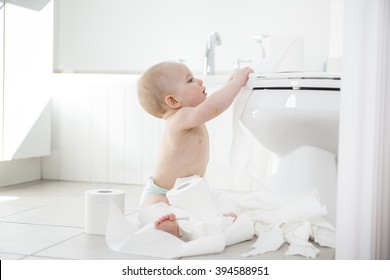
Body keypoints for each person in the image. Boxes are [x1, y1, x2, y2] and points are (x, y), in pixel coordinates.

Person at [137, 61, 253, 237]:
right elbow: (214, 106)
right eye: (190, 80)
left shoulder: (188, 116)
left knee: (218, 198)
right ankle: (166, 223)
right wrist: (236, 84)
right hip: (162, 192)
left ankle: (205, 219)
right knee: (151, 208)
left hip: (191, 192)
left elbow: (214, 102)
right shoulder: (179, 118)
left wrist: (229, 84)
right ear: (173, 101)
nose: (199, 81)